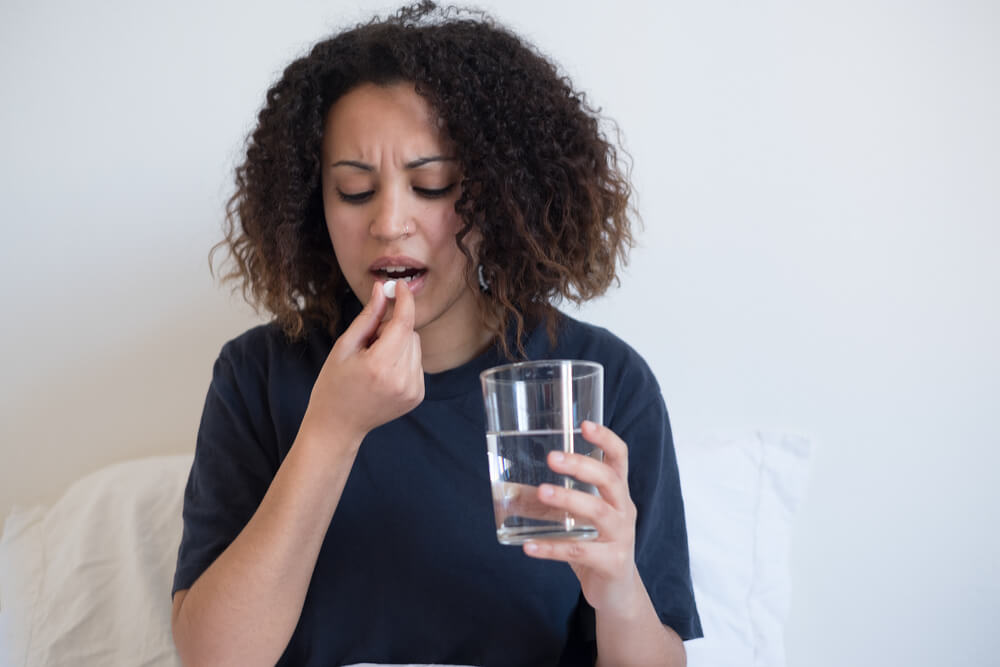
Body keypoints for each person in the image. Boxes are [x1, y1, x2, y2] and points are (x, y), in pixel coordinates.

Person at [171, 2, 702, 665]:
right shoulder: (259, 375)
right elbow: (213, 658)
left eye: (431, 184)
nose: (390, 223)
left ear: (501, 197)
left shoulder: (601, 380)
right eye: (354, 190)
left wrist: (618, 589)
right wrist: (332, 430)